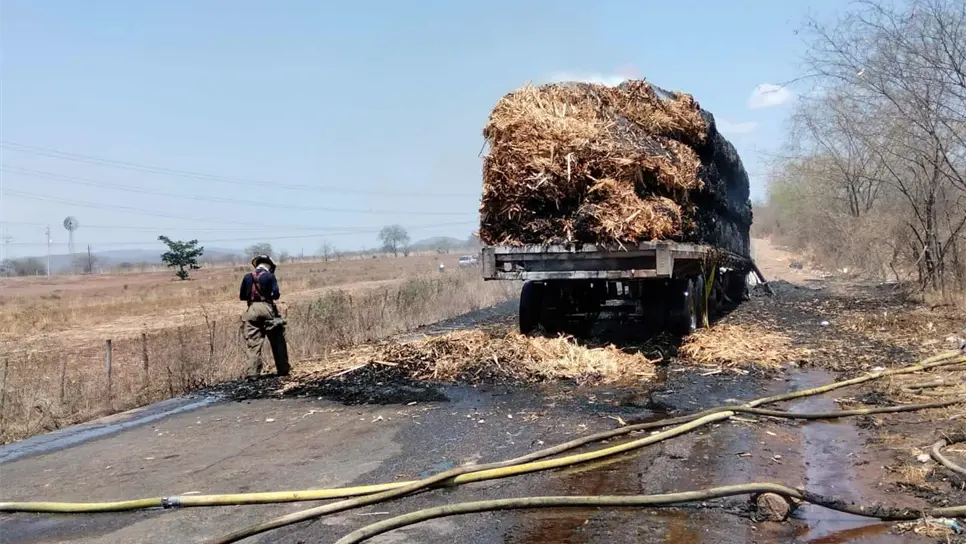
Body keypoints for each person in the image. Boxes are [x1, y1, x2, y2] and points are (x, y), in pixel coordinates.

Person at [239, 255, 290, 378]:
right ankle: (283, 370)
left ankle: (253, 374)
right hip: (268, 308)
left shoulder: (247, 277)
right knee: (277, 340)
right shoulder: (270, 276)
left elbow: (242, 296)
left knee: (253, 343)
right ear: (270, 266)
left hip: (251, 310)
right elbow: (276, 295)